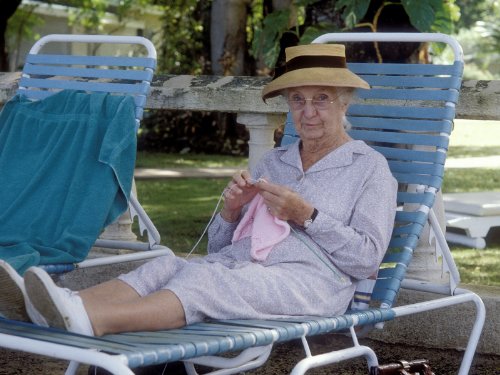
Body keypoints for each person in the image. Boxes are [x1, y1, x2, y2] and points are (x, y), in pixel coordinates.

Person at [0, 43, 397, 336]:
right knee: (167, 265)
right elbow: (221, 250)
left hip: (313, 285)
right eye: (297, 100)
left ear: (345, 103)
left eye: (321, 99)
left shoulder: (369, 168)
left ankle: (94, 322)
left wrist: (306, 215)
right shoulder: (275, 161)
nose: (307, 112)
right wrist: (231, 212)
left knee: (204, 281)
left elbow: (365, 260)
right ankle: (54, 308)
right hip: (242, 270)